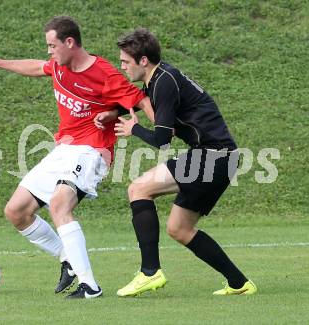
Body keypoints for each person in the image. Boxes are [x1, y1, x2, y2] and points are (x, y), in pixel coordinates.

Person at [0, 16, 152, 299]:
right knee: (16, 211)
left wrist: (158, 131)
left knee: (59, 204)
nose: (49, 51)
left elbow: (141, 98)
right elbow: (36, 66)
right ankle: (66, 257)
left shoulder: (104, 73)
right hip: (65, 149)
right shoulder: (59, 65)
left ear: (69, 42)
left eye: (52, 45)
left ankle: (90, 286)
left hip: (93, 149)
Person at [113, 28, 257, 297]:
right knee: (179, 229)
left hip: (214, 156)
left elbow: (162, 140)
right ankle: (239, 283)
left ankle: (149, 272)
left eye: (125, 61)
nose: (122, 66)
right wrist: (111, 113)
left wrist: (134, 130)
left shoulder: (165, 81)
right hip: (220, 157)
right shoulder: (159, 79)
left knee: (138, 189)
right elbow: (142, 103)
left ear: (143, 60)